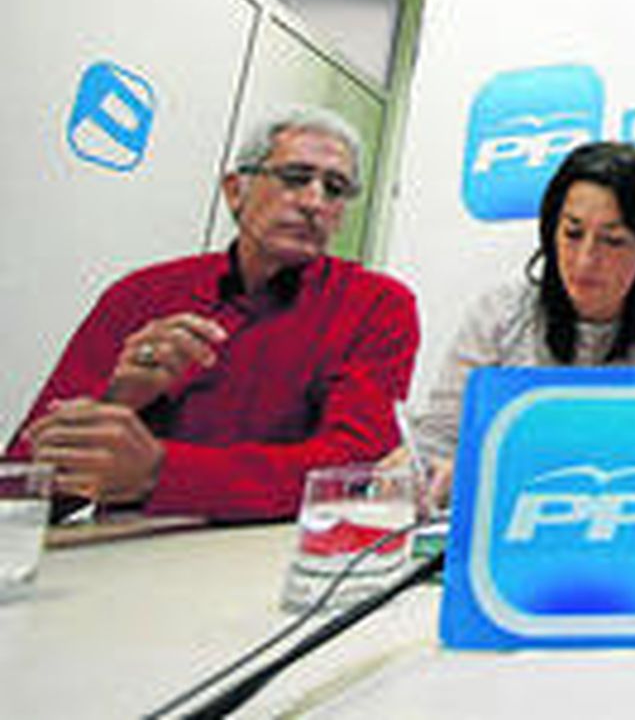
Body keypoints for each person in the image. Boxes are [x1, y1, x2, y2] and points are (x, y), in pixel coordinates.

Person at [7, 106, 419, 522]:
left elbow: (352, 470)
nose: (315, 201)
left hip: (280, 549)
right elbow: (18, 490)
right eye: (295, 178)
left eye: (335, 188)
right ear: (235, 190)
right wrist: (120, 400)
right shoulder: (140, 295)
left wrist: (160, 472)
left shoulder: (378, 307)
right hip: (128, 546)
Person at [408, 141, 635, 498]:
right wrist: (429, 469)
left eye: (613, 241)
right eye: (572, 233)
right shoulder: (501, 314)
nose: (585, 260)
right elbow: (439, 438)